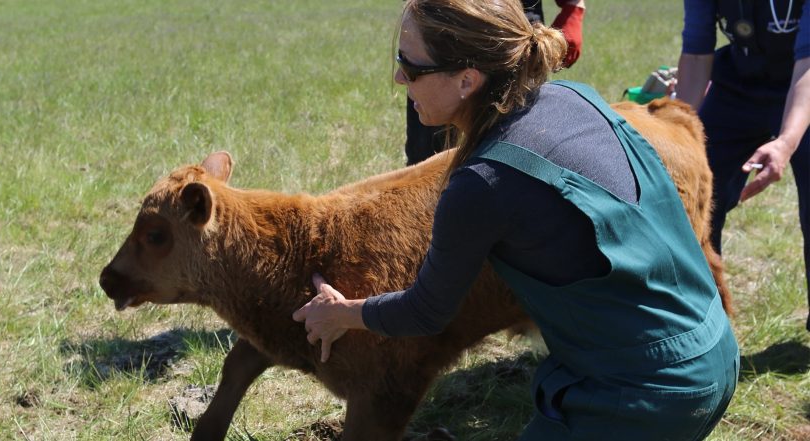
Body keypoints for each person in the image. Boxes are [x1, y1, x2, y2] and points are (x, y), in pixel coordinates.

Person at [294, 0, 739, 439]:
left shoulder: (482, 182)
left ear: (467, 79)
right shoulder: (572, 95)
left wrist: (342, 314)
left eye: (409, 66)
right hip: (712, 349)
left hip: (642, 393)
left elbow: (426, 312)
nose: (398, 78)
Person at [675, 0, 810, 330]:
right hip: (739, 84)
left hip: (803, 82)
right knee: (693, 192)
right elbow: (695, 54)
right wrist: (677, 135)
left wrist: (786, 142)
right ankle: (703, 325)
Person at [403, 0, 586, 166]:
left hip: (508, 27)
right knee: (426, 147)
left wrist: (573, 8)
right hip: (440, 21)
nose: (399, 78)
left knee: (518, 136)